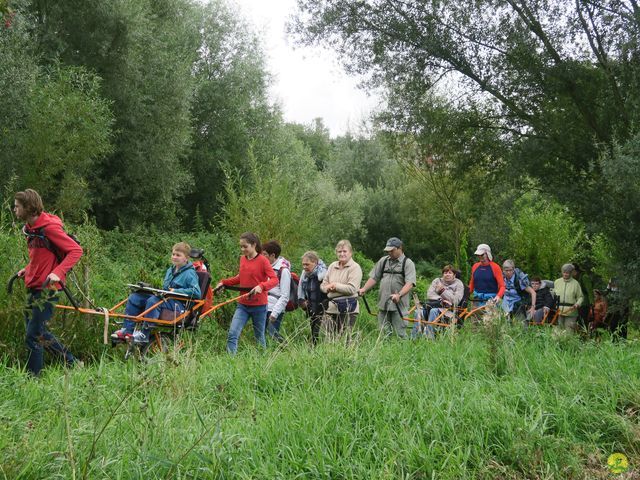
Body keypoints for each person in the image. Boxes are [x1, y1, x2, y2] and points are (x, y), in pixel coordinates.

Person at [14, 189, 83, 376]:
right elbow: (40, 257)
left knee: (33, 336)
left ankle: (33, 378)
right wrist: (27, 269)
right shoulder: (31, 230)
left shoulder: (49, 228)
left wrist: (58, 273)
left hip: (48, 289)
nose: (14, 209)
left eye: (17, 206)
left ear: (29, 208)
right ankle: (73, 363)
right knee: (38, 332)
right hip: (33, 286)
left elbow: (76, 251)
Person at [111, 242, 201, 344]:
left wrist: (176, 291)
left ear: (186, 258)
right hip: (166, 299)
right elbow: (166, 288)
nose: (174, 257)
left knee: (153, 300)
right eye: (173, 254)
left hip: (179, 305)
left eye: (178, 255)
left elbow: (196, 292)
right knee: (135, 297)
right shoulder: (170, 270)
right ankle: (127, 330)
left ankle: (144, 334)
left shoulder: (190, 273)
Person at [217, 232, 278, 354]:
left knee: (259, 337)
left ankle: (263, 363)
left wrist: (261, 286)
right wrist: (223, 282)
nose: (242, 249)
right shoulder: (242, 259)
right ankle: (231, 362)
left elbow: (274, 280)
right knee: (233, 333)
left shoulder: (263, 260)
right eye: (241, 246)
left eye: (245, 246)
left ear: (254, 245)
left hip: (259, 306)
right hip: (243, 305)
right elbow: (240, 278)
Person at [359, 237, 416, 338]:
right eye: (387, 251)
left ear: (400, 248)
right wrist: (364, 289)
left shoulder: (408, 263)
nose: (389, 253)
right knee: (383, 334)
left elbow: (410, 283)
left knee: (401, 335)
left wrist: (399, 295)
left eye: (392, 250)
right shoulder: (383, 261)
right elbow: (374, 277)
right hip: (383, 304)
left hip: (399, 305)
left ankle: (404, 352)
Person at [321, 240, 363, 340]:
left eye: (345, 251)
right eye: (339, 251)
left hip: (348, 307)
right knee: (328, 339)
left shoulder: (355, 268)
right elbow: (323, 285)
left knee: (345, 339)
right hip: (331, 308)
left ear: (350, 253)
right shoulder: (332, 266)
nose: (342, 254)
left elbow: (352, 289)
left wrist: (335, 286)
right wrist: (326, 288)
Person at [412, 264, 464, 339]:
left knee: (434, 311)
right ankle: (414, 338)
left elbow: (455, 300)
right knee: (418, 311)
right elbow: (430, 294)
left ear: (454, 275)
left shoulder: (458, 283)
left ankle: (429, 338)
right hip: (433, 304)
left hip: (449, 310)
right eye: (445, 273)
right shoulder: (437, 281)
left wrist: (442, 291)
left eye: (450, 273)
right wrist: (441, 300)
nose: (447, 275)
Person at [262, 240, 291, 343]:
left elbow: (285, 296)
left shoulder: (283, 271)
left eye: (264, 254)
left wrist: (275, 313)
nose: (262, 257)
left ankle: (286, 349)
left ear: (272, 255)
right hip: (263, 305)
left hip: (274, 307)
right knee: (262, 334)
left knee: (272, 334)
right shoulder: (265, 268)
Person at [297, 251, 328, 345]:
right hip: (311, 307)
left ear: (315, 262)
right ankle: (314, 348)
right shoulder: (306, 275)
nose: (304, 267)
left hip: (323, 307)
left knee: (319, 330)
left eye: (307, 264)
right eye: (303, 264)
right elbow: (301, 289)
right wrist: (302, 301)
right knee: (313, 329)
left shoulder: (324, 274)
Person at [553, 263, 583, 332]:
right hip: (559, 311)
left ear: (571, 273)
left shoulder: (576, 284)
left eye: (568, 273)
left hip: (571, 311)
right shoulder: (557, 282)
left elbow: (580, 297)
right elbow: (554, 295)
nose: (565, 274)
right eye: (564, 272)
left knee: (569, 332)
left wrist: (577, 304)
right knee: (558, 332)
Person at [572, 264, 594, 328]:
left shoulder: (584, 277)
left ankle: (583, 336)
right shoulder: (576, 278)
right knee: (577, 321)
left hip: (584, 303)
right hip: (577, 303)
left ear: (576, 271)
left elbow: (589, 290)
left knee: (582, 321)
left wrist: (592, 302)